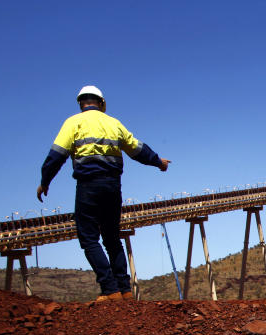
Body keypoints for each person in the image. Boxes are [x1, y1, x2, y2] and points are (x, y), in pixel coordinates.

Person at [37, 85, 170, 301]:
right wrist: (158, 162)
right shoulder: (113, 123)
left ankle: (110, 290)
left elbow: (56, 156)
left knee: (89, 239)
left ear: (81, 103)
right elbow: (137, 149)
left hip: (88, 186)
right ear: (102, 103)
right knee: (112, 238)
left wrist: (44, 182)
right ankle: (125, 290)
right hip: (112, 186)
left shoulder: (73, 123)